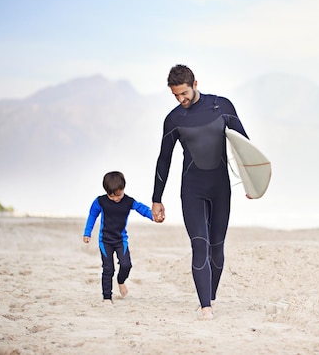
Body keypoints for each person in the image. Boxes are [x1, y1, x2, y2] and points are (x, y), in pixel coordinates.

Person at [152, 64, 249, 320]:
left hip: (221, 189)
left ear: (195, 84)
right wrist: (156, 199)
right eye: (175, 96)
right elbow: (164, 160)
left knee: (217, 247)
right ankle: (205, 306)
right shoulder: (174, 119)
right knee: (199, 246)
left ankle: (211, 297)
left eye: (183, 93)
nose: (181, 100)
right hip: (192, 190)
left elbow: (244, 146)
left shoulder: (222, 107)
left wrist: (253, 182)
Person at [83, 171, 156, 303]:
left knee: (126, 265)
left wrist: (153, 216)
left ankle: (121, 281)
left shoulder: (128, 201)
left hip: (120, 240)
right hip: (105, 240)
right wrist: (87, 233)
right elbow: (92, 215)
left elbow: (142, 209)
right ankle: (107, 297)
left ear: (123, 189)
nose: (116, 199)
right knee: (108, 268)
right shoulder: (100, 201)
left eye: (119, 195)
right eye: (112, 197)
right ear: (107, 192)